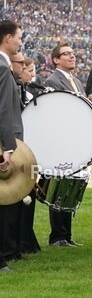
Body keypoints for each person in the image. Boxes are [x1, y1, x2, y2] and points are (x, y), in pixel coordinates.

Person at [44, 42, 86, 247]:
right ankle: (57, 236)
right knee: (59, 187)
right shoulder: (53, 80)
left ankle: (66, 235)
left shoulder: (76, 81)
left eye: (72, 53)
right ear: (56, 59)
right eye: (66, 54)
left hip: (74, 142)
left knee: (70, 187)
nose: (72, 56)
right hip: (61, 142)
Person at [0, 21, 24, 272]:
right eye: (18, 37)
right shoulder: (2, 67)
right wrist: (8, 146)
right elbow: (4, 111)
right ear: (7, 38)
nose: (20, 41)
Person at [12, 52, 41, 256]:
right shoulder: (15, 90)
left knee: (28, 196)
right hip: (17, 151)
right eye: (26, 68)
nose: (28, 73)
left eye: (29, 69)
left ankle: (24, 239)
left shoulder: (28, 93)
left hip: (27, 152)